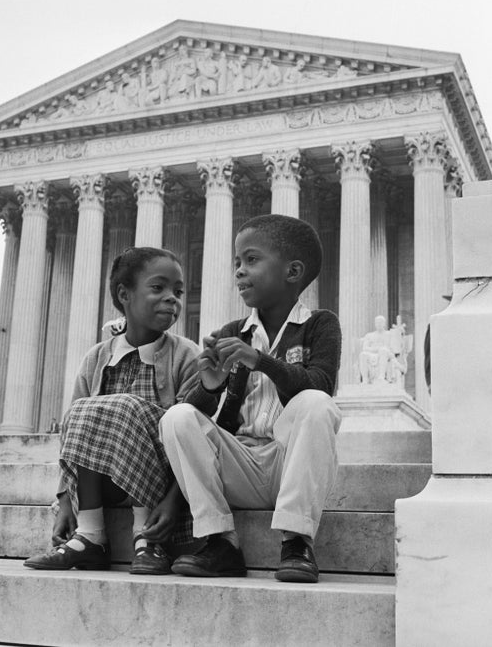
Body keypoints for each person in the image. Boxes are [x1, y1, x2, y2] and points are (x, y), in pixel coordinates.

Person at [160, 214, 342, 583]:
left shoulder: (320, 324)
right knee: (177, 416)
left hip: (291, 464)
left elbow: (320, 383)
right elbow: (194, 428)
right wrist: (210, 386)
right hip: (238, 464)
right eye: (237, 263)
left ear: (292, 272)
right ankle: (219, 541)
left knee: (316, 403)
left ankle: (296, 541)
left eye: (252, 260)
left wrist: (260, 361)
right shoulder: (232, 333)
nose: (240, 272)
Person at [24, 247, 200, 575]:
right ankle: (90, 535)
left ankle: (146, 538)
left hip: (164, 479)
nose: (172, 299)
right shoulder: (96, 357)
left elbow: (196, 434)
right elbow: (72, 433)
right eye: (158, 288)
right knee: (84, 409)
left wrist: (174, 499)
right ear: (124, 294)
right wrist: (65, 498)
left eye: (177, 291)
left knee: (124, 407)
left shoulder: (186, 355)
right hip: (108, 480)